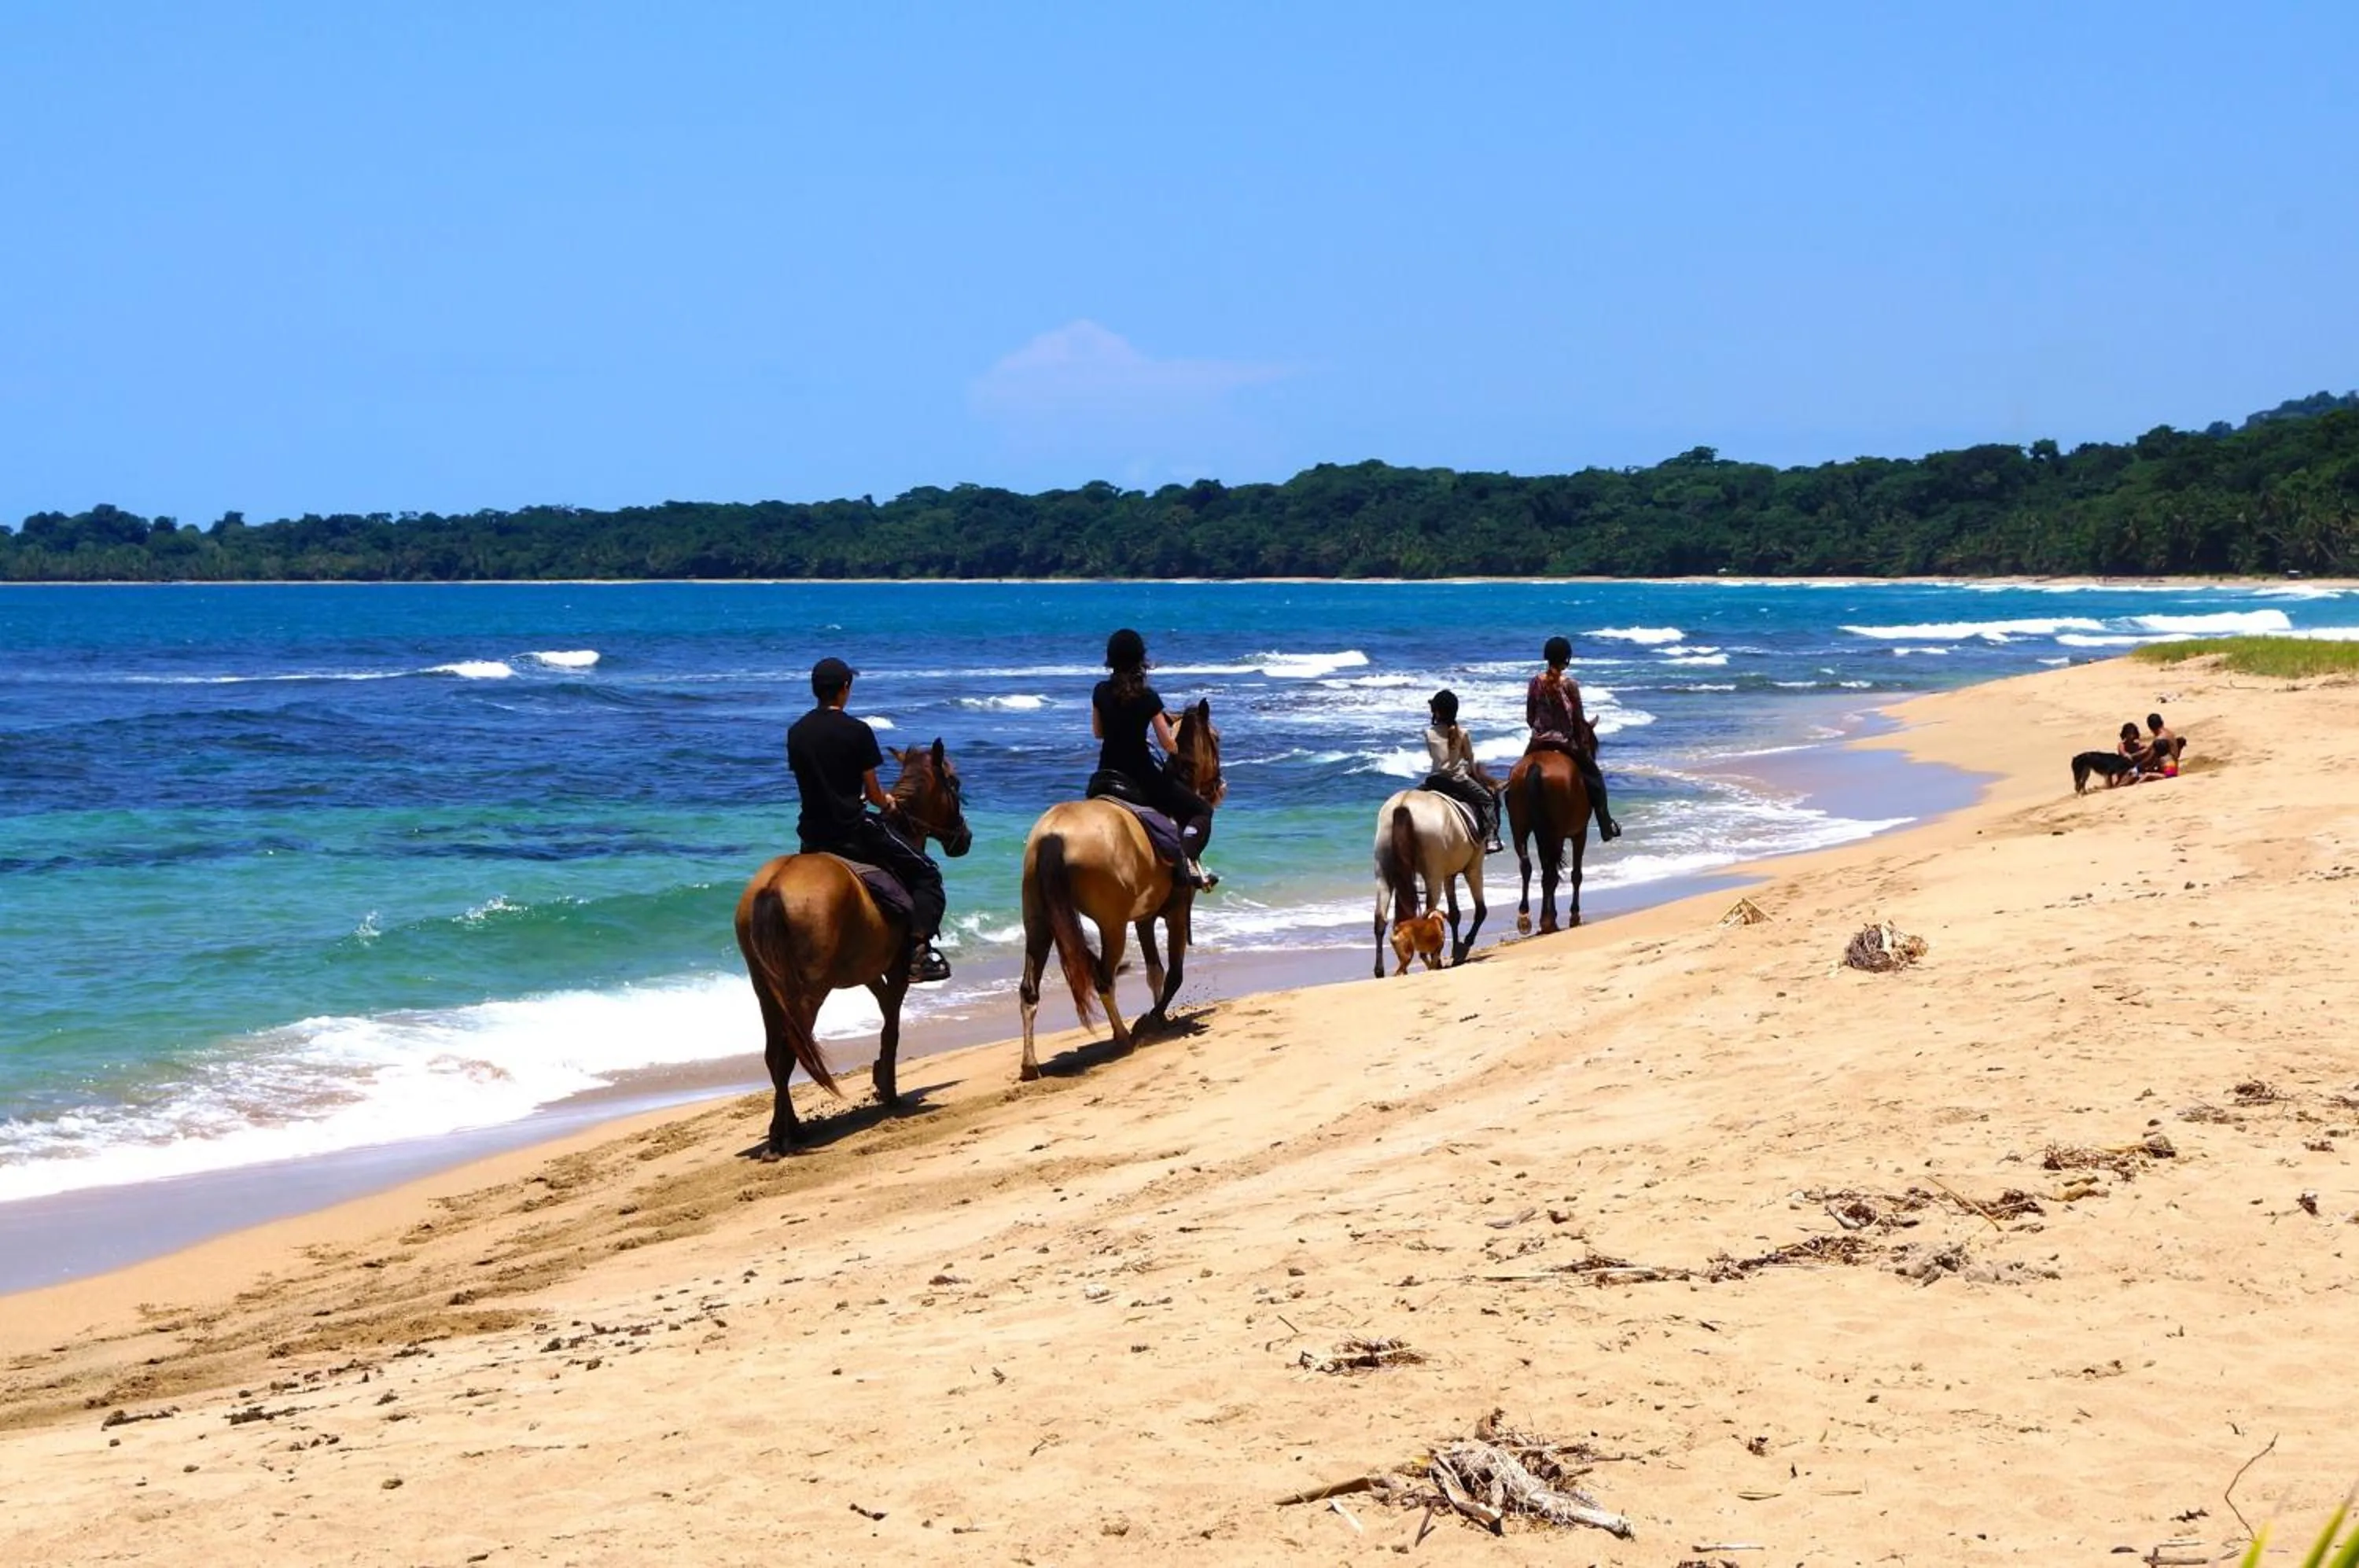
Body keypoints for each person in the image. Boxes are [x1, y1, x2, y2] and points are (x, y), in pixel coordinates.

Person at [786, 656, 952, 984]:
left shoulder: (797, 733)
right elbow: (874, 794)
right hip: (851, 832)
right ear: (844, 689)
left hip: (811, 836)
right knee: (927, 872)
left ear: (815, 690)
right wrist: (885, 801)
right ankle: (918, 955)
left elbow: (814, 782)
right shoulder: (858, 731)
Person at [1092, 628, 1217, 889]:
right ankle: (1185, 864)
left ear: (1111, 660)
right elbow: (1167, 743)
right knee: (1202, 810)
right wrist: (1174, 745)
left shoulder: (1100, 691)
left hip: (1104, 776)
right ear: (1141, 661)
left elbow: (1098, 733)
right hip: (1140, 777)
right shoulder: (1148, 697)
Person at [1525, 636, 1621, 841]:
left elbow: (1529, 717)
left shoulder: (1535, 682)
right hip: (1564, 742)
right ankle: (1606, 824)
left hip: (1537, 741)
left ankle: (1504, 826)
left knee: (1514, 779)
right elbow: (1577, 719)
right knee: (1595, 778)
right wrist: (1579, 739)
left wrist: (1540, 732)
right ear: (1566, 660)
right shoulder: (1570, 684)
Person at [1421, 689, 1503, 853]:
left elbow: (1434, 756)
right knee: (1488, 800)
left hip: (1434, 780)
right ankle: (1491, 839)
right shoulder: (1463, 733)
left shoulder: (1428, 733)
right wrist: (1475, 775)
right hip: (1457, 780)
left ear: (1436, 711)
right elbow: (1470, 759)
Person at [2145, 712, 2184, 777]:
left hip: (2169, 771)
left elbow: (2150, 756)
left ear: (2150, 727)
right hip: (2174, 768)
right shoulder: (2170, 733)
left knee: (2146, 775)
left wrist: (2138, 766)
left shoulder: (2160, 739)